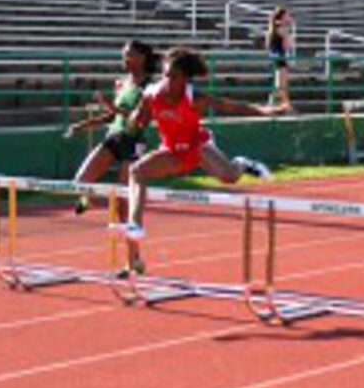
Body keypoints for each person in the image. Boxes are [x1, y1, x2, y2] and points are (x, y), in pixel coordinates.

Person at [118, 47, 288, 270]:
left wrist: (266, 111)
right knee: (137, 172)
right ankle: (135, 226)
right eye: (166, 75)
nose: (168, 81)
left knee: (229, 177)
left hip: (197, 147)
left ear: (186, 79)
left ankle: (242, 164)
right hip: (171, 152)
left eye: (174, 77)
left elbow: (230, 106)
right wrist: (134, 120)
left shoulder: (195, 98)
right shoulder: (152, 93)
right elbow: (139, 118)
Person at [64, 40, 159, 274]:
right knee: (81, 180)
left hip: (134, 142)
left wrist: (113, 108)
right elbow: (112, 117)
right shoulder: (123, 83)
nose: (124, 60)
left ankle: (134, 261)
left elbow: (137, 119)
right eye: (123, 55)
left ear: (142, 58)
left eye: (129, 56)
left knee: (125, 206)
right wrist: (83, 125)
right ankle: (88, 199)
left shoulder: (150, 87)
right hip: (114, 138)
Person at [266, 6, 294, 109]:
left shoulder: (275, 27)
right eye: (287, 15)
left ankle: (282, 105)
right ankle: (286, 106)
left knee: (280, 85)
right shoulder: (281, 28)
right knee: (281, 85)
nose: (289, 16)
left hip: (276, 57)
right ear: (282, 16)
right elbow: (287, 45)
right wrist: (288, 29)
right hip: (280, 57)